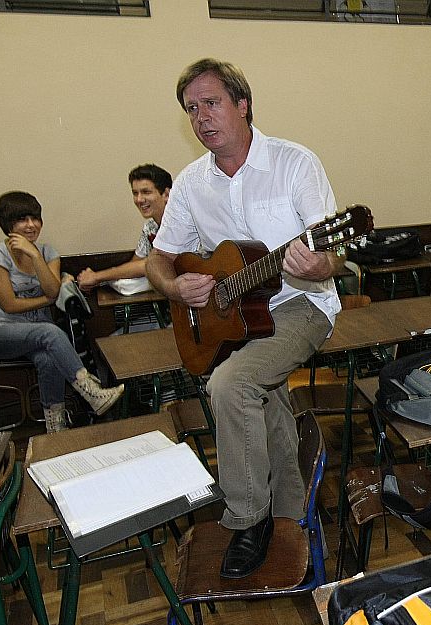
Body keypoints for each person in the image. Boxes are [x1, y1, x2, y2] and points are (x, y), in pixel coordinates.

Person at [146, 58, 343, 579]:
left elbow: (334, 255)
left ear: (242, 104)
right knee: (264, 400)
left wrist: (320, 261)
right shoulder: (190, 183)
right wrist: (175, 285)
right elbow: (159, 260)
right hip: (238, 314)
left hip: (302, 303)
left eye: (211, 103)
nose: (201, 117)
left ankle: (247, 518)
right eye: (192, 109)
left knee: (232, 384)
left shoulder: (295, 163)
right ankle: (291, 511)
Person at [0, 192, 124, 433]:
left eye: (36, 218)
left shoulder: (47, 252)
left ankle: (56, 427)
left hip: (37, 335)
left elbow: (52, 289)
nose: (31, 225)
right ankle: (91, 392)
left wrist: (34, 255)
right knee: (50, 332)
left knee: (48, 359)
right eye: (23, 219)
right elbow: (10, 305)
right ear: (8, 224)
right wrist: (46, 298)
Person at [77, 164, 173, 296]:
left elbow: (148, 265)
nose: (139, 199)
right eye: (135, 193)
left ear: (166, 194)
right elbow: (135, 264)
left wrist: (97, 276)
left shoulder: (179, 224)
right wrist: (95, 280)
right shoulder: (149, 227)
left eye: (146, 192)